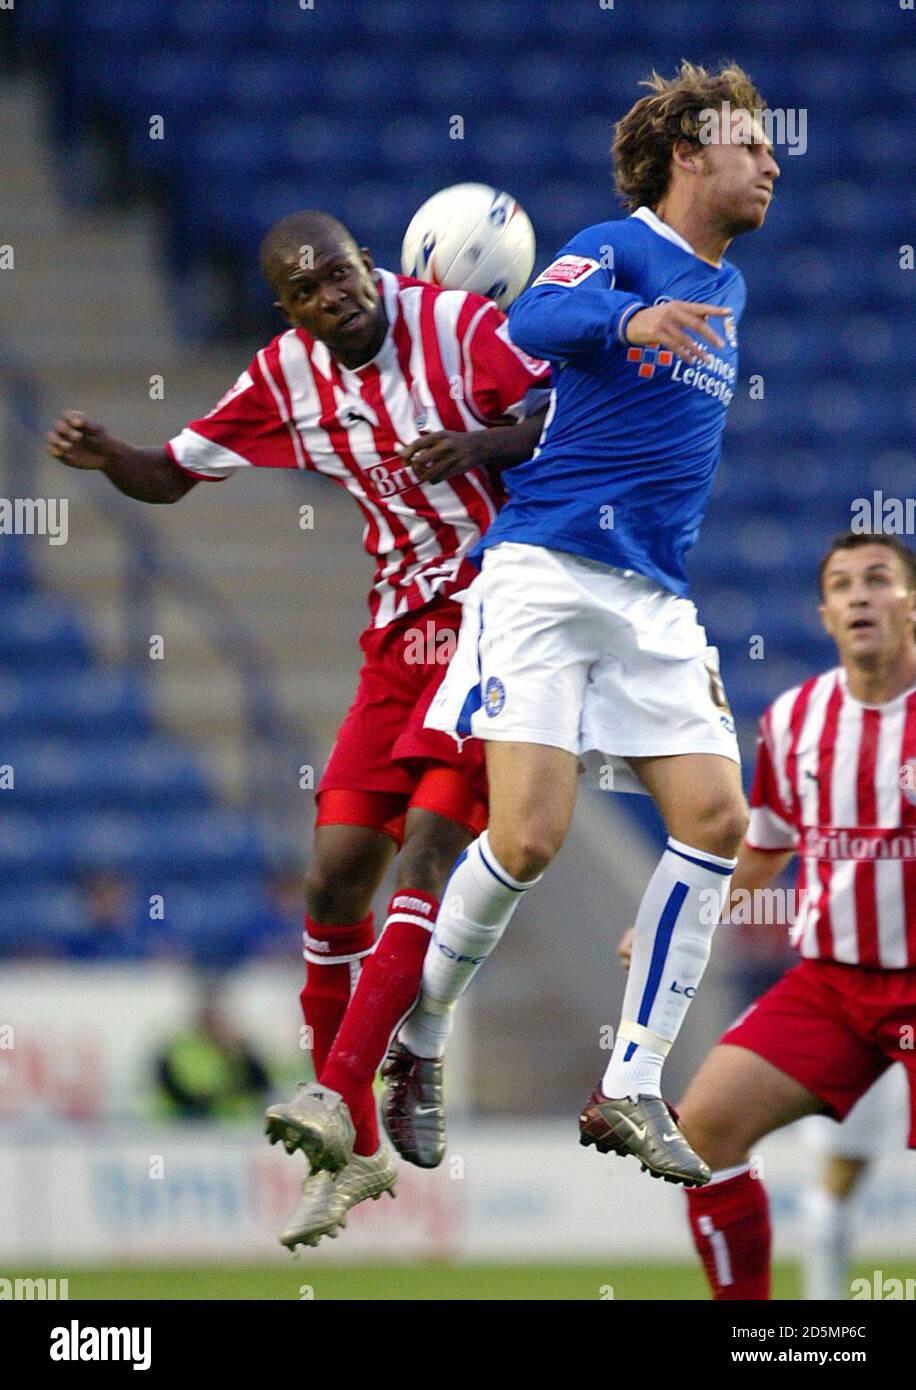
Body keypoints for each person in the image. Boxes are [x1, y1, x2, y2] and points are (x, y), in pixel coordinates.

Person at [47, 208, 550, 1247]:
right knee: (329, 882)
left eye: (345, 272)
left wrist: (482, 441)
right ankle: (358, 1146)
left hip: (497, 621)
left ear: (371, 263)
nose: (338, 294)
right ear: (288, 308)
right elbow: (172, 473)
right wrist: (113, 458)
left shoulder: (458, 325)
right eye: (311, 288)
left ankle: (346, 1078)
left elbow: (566, 416)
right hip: (394, 639)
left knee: (429, 844)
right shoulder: (283, 376)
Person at [370, 61, 780, 1186]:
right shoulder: (620, 243)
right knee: (532, 837)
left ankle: (632, 1085)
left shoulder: (726, 288)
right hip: (548, 574)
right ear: (691, 153)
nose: (772, 162)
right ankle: (422, 1035)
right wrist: (627, 312)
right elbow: (540, 315)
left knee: (717, 819)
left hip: (653, 595)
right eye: (751, 143)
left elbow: (597, 399)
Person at [670, 533, 916, 1299]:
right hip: (833, 988)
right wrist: (681, 921)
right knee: (704, 1129)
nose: (860, 596)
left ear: (911, 604)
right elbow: (765, 847)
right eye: (842, 586)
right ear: (825, 614)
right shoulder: (794, 718)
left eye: (878, 580)